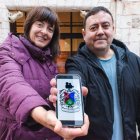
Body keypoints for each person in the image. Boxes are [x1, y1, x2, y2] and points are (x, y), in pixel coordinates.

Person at [49, 6, 140, 140]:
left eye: (105, 26)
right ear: (84, 34)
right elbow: (76, 78)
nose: (100, 31)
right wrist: (67, 96)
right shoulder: (76, 63)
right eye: (93, 28)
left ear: (113, 29)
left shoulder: (134, 61)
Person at [0, 6, 89, 140]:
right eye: (40, 25)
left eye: (50, 29)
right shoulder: (8, 51)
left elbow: (45, 96)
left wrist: (56, 102)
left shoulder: (48, 61)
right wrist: (45, 116)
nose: (44, 32)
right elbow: (12, 85)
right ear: (29, 26)